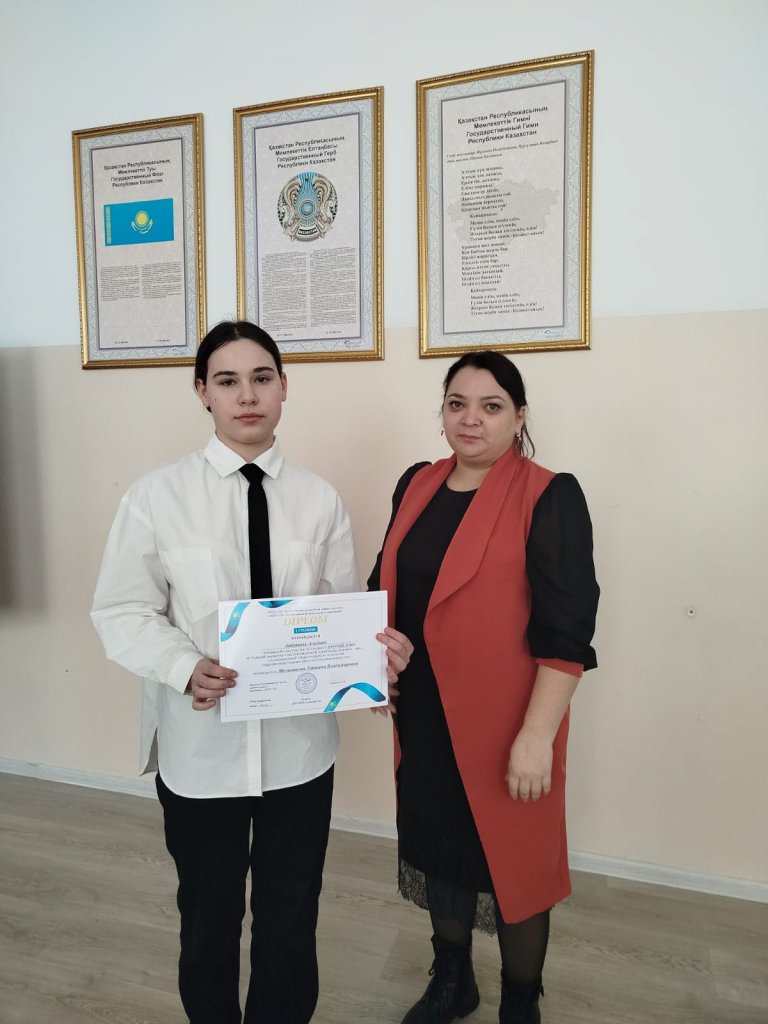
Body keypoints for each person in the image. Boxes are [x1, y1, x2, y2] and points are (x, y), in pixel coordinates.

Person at [91, 320, 412, 1024]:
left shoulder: (319, 499)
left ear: (284, 387)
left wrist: (372, 663)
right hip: (201, 750)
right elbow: (121, 610)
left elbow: (334, 612)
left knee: (291, 915)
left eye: (262, 378)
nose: (247, 396)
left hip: (299, 752)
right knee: (207, 917)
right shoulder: (156, 496)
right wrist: (184, 666)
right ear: (202, 392)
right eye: (228, 381)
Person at [368, 351, 599, 1024]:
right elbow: (381, 587)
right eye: (457, 403)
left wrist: (536, 737)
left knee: (514, 866)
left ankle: (521, 1003)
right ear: (442, 411)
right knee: (440, 850)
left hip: (508, 723)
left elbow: (567, 634)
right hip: (422, 715)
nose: (471, 419)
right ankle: (453, 980)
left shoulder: (548, 495)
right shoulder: (416, 483)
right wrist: (371, 661)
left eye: (491, 406)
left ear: (519, 417)